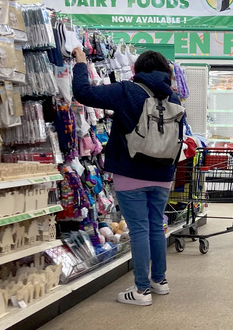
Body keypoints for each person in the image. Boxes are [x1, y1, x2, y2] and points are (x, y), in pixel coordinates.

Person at [72, 48, 180, 306]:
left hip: (131, 171)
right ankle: (159, 281)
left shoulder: (127, 91)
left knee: (140, 228)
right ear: (165, 71)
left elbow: (83, 93)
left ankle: (141, 291)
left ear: (135, 69)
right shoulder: (172, 96)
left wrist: (79, 63)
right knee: (156, 226)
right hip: (163, 172)